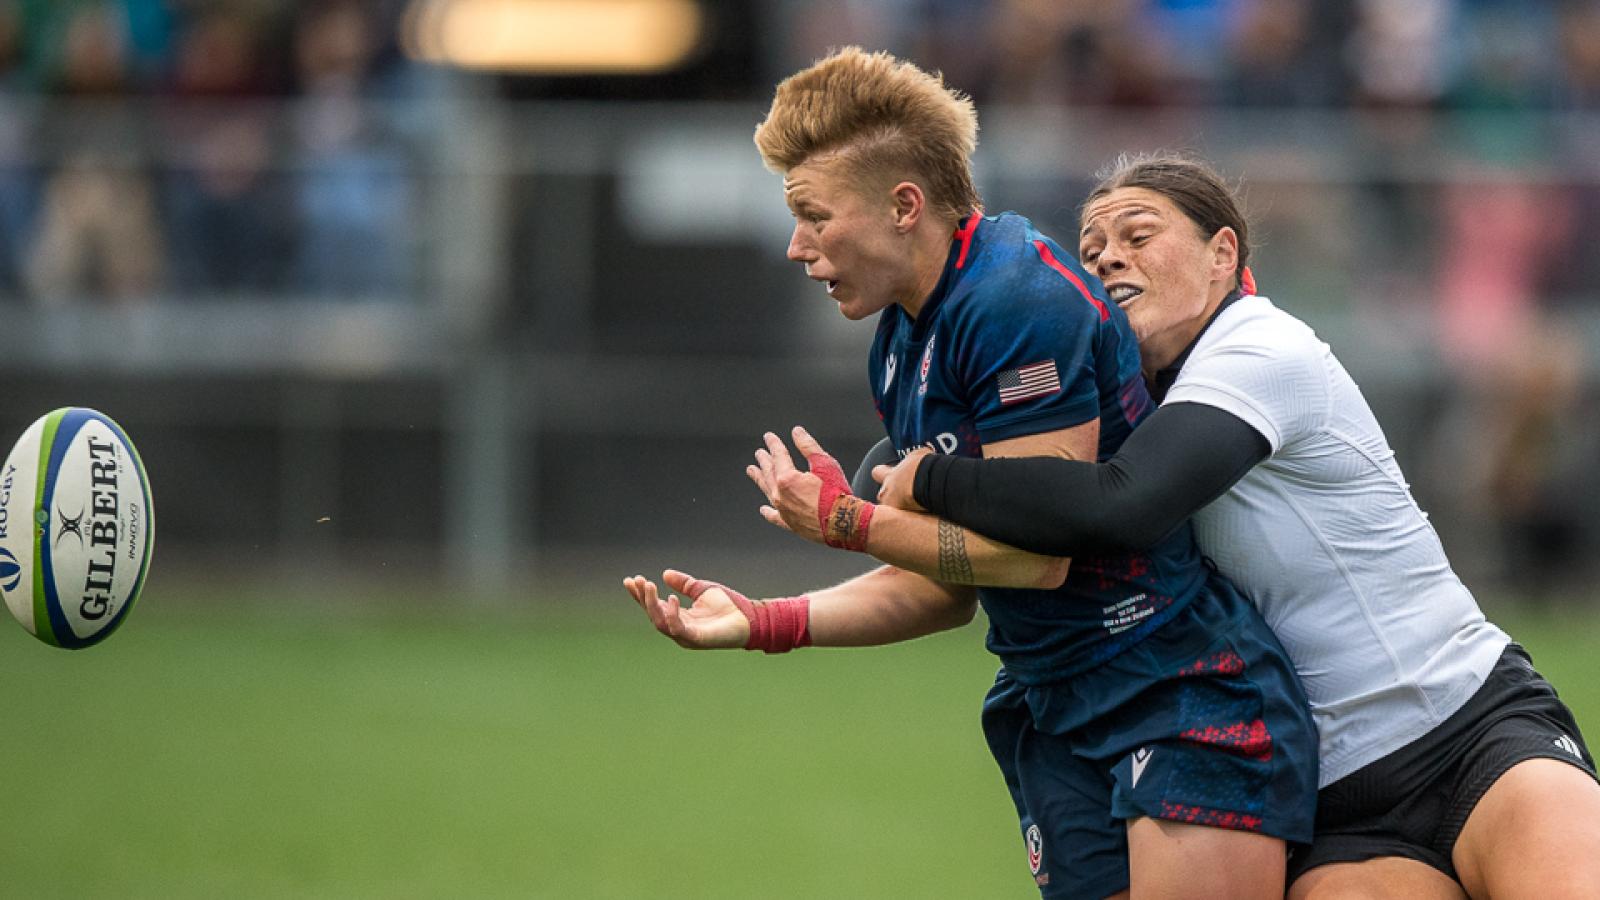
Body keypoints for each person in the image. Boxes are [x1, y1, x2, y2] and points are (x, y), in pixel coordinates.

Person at [623, 48, 1318, 899]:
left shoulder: (1014, 297)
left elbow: (1039, 555)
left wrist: (848, 520)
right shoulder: (901, 339)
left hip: (1177, 690)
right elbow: (944, 585)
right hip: (1054, 702)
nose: (799, 246)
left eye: (813, 214)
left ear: (904, 205)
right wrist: (767, 620)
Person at [870, 151, 1600, 899]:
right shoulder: (1128, 408)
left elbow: (1120, 505)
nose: (1108, 257)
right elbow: (1004, 461)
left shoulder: (1257, 347)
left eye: (1138, 234)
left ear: (1224, 255)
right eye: (1090, 251)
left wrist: (927, 477)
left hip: (1470, 727)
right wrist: (898, 466)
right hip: (1338, 804)